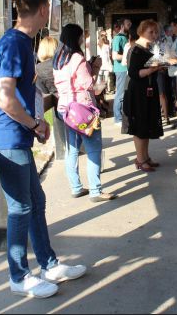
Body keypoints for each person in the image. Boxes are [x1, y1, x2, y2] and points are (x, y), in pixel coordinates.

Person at [0, 0, 86, 299]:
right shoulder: (14, 44)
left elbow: (22, 91)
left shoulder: (20, 42)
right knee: (20, 207)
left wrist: (36, 123)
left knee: (35, 202)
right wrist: (34, 123)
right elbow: (4, 98)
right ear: (43, 10)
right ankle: (18, 276)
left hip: (16, 135)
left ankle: (49, 264)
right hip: (7, 138)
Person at [53, 23, 116, 202]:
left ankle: (76, 187)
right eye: (81, 36)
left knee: (72, 149)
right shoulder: (77, 58)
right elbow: (89, 84)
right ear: (76, 38)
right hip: (82, 110)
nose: (82, 39)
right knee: (93, 149)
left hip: (65, 109)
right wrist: (95, 67)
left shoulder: (58, 58)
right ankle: (96, 191)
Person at [124, 19, 165, 172]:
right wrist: (153, 69)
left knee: (146, 125)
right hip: (138, 93)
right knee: (140, 127)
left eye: (156, 32)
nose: (154, 35)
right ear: (141, 32)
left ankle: (145, 157)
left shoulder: (147, 48)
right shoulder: (135, 49)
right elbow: (134, 73)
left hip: (148, 90)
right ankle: (140, 159)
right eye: (151, 32)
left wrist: (160, 66)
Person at [111, 19, 130, 125]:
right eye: (128, 24)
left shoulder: (124, 37)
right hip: (121, 69)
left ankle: (122, 116)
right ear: (122, 26)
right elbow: (115, 56)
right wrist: (128, 55)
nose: (130, 26)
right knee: (120, 94)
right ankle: (118, 118)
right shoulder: (118, 38)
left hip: (125, 69)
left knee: (124, 94)